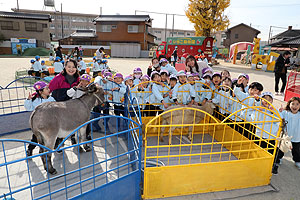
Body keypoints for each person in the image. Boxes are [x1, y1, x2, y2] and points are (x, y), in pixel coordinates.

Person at [24, 81, 56, 156]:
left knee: (53, 136)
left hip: (50, 123)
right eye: (46, 88)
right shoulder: (35, 100)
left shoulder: (51, 99)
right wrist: (28, 100)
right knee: (36, 138)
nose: (49, 90)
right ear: (40, 91)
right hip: (39, 124)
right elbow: (28, 108)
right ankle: (30, 149)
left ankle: (56, 147)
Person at [278, 97, 300, 171]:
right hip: (286, 136)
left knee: (296, 150)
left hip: (297, 136)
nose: (295, 106)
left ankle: (297, 160)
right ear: (289, 104)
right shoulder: (285, 112)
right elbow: (279, 117)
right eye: (293, 104)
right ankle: (279, 158)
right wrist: (280, 111)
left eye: (297, 104)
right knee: (282, 147)